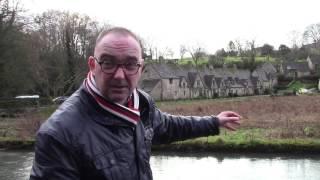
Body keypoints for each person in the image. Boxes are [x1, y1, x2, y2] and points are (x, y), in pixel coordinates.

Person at [29, 27, 241, 180]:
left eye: (130, 64)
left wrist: (214, 122)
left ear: (141, 68)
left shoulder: (140, 103)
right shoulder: (58, 135)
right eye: (108, 63)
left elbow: (168, 126)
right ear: (93, 65)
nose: (120, 75)